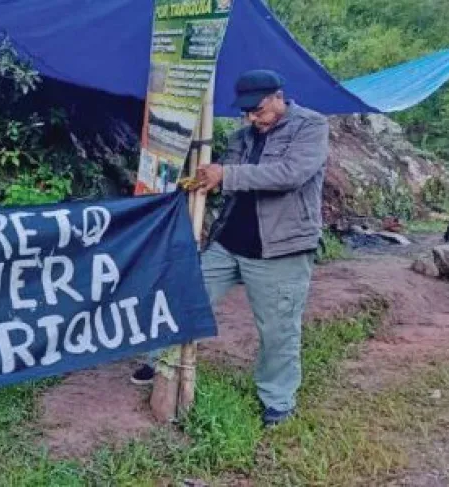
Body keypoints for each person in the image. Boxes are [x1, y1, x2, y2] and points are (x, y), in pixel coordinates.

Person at [130, 69, 330, 428]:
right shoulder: (242, 135)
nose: (253, 117)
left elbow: (290, 174)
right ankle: (162, 362)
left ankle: (277, 399)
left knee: (278, 329)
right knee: (186, 296)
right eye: (248, 111)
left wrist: (227, 175)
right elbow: (225, 178)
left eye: (259, 110)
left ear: (277, 97)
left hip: (280, 249)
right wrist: (203, 178)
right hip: (228, 242)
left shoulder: (311, 127)